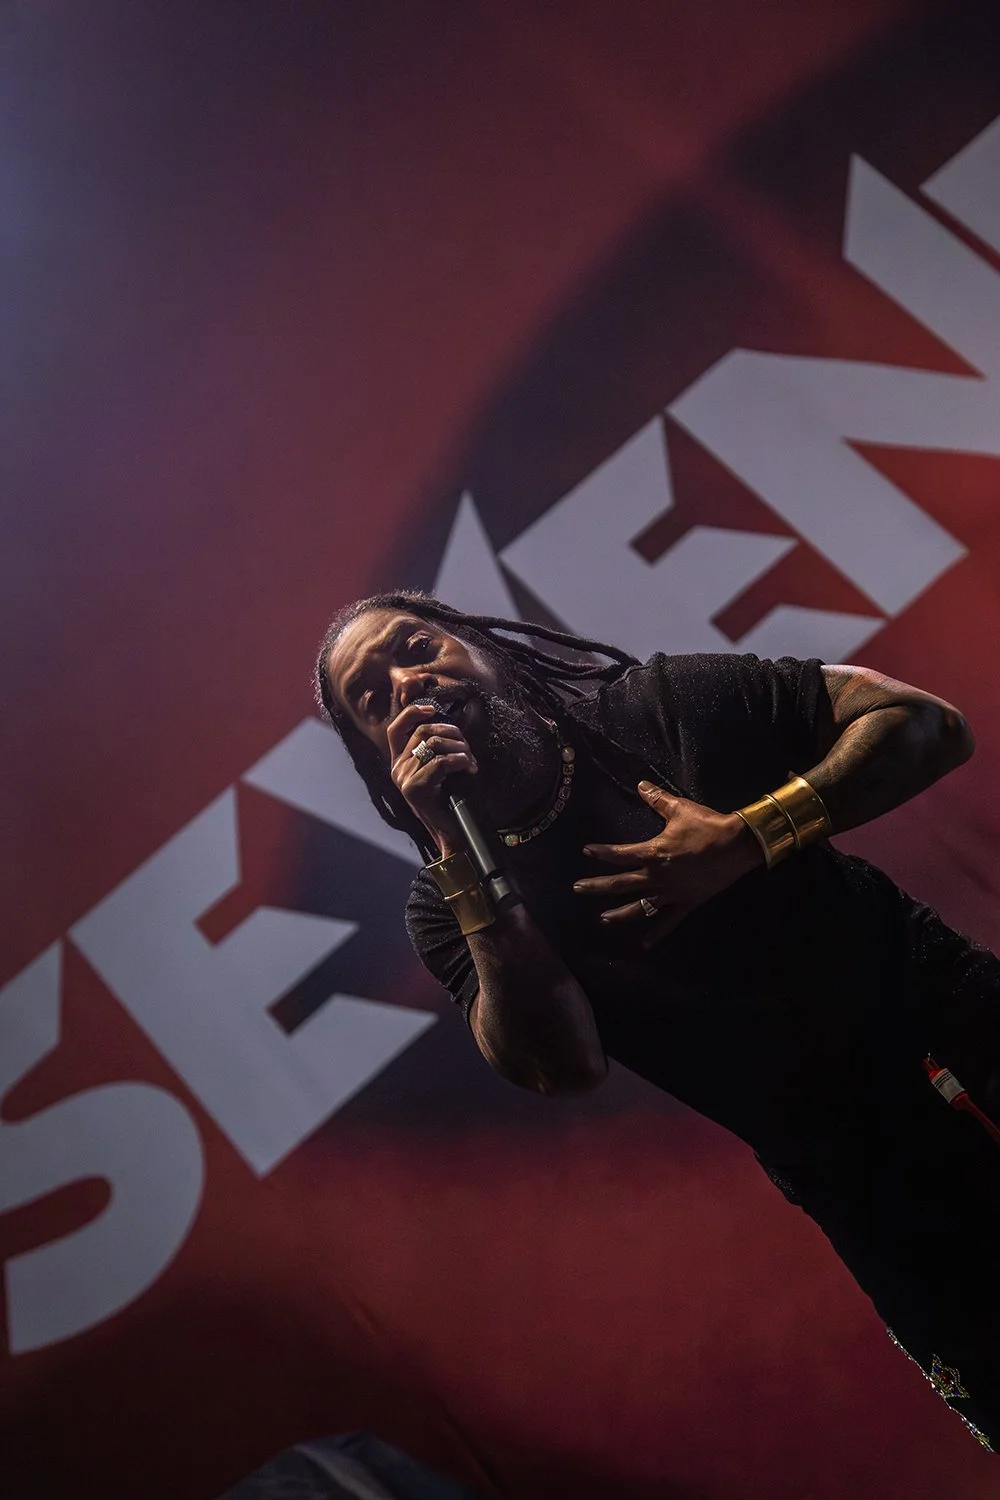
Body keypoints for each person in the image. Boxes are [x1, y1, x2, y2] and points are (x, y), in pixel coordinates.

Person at [315, 589, 1000, 1451]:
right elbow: (559, 1065)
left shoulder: (663, 708)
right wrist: (459, 855)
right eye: (373, 699)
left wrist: (750, 836)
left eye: (418, 648)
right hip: (862, 1184)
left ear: (485, 648)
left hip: (955, 1031)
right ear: (381, 762)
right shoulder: (450, 909)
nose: (408, 685)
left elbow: (925, 723)